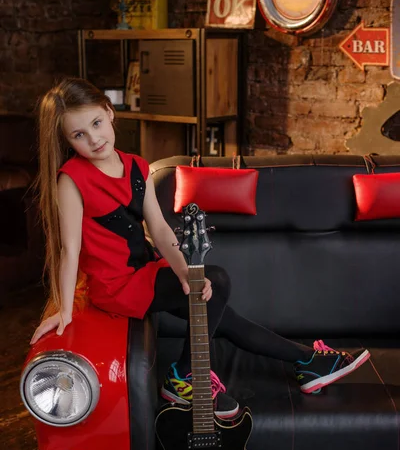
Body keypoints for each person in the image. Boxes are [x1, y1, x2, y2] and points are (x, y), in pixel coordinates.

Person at [30, 77, 370, 419]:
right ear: (68, 141)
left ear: (109, 112)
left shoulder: (136, 166)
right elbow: (69, 250)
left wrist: (184, 273)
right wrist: (64, 310)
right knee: (218, 280)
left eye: (96, 123)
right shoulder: (71, 179)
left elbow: (161, 230)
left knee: (219, 311)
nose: (93, 139)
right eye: (79, 135)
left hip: (148, 269)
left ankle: (308, 363)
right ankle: (182, 376)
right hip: (117, 286)